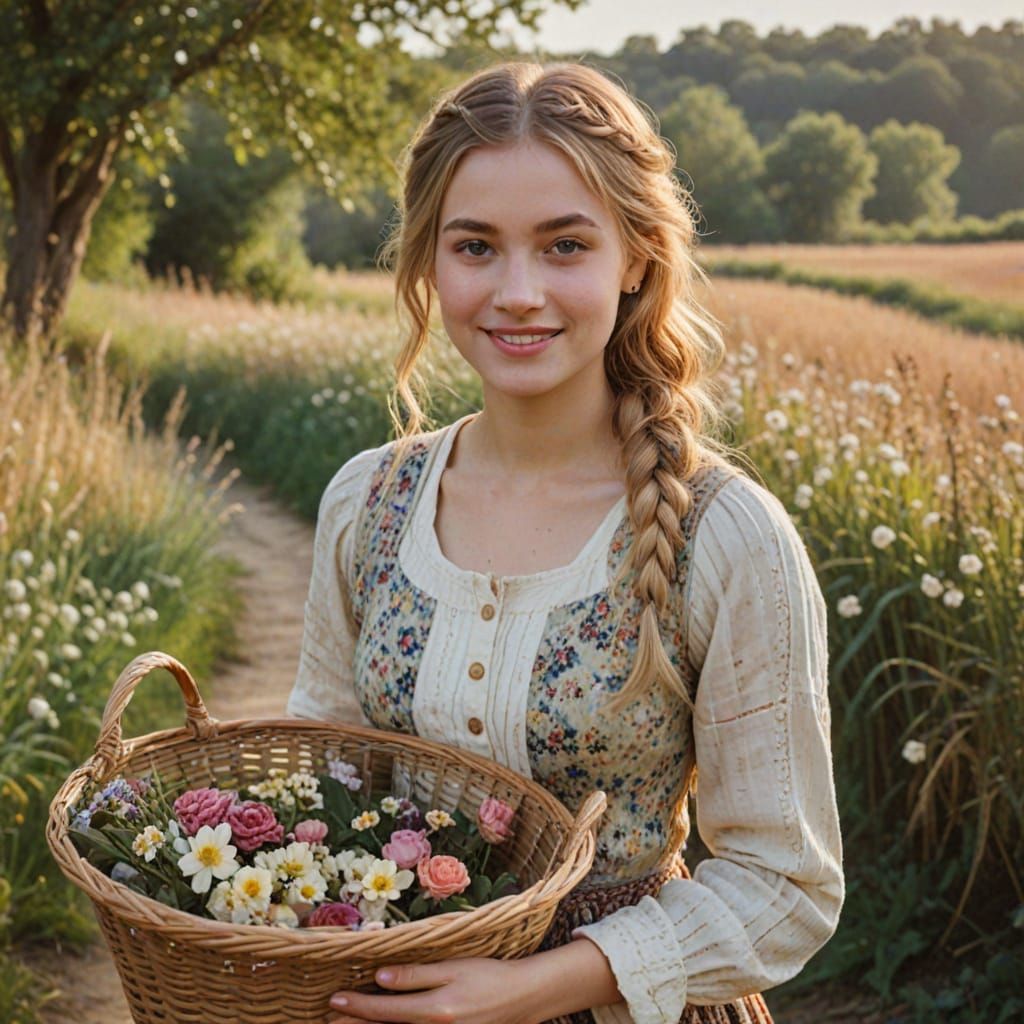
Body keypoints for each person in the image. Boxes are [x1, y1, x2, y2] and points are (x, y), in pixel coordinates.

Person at [286, 60, 843, 1024]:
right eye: (475, 246)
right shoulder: (368, 502)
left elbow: (785, 884)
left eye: (565, 245)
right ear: (429, 262)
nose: (518, 292)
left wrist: (537, 987)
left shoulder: (725, 535)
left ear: (636, 258)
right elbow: (322, 778)